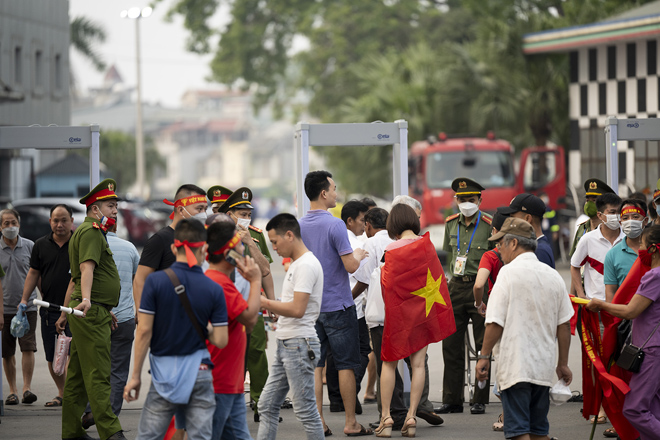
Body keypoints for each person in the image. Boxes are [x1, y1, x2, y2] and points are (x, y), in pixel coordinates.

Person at [123, 219, 229, 440]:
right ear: (204, 249)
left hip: (165, 376)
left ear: (174, 247)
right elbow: (220, 340)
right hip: (200, 372)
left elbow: (144, 331)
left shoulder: (156, 282)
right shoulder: (213, 288)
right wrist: (205, 328)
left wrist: (135, 376)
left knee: (149, 437)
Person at [476, 217, 574, 440]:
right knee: (538, 432)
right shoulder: (553, 276)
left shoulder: (507, 274)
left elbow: (494, 322)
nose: (498, 249)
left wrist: (483, 356)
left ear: (513, 244)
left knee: (519, 432)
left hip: (515, 368)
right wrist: (563, 363)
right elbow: (564, 324)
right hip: (543, 369)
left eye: (501, 243)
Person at [298, 170, 370, 436]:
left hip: (310, 308)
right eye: (334, 188)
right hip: (338, 306)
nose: (337, 193)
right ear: (324, 193)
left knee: (316, 366)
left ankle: (319, 422)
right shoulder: (335, 225)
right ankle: (351, 422)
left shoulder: (299, 225)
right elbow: (350, 265)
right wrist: (360, 254)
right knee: (346, 365)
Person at [376, 204, 455, 438]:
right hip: (424, 314)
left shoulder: (390, 250)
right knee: (419, 364)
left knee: (389, 363)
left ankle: (386, 417)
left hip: (399, 316)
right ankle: (411, 416)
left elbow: (387, 285)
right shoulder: (427, 245)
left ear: (393, 225)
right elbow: (438, 280)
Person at [62, 179, 125, 440]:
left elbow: (90, 274)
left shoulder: (94, 231)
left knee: (77, 377)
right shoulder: (90, 232)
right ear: (94, 208)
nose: (115, 210)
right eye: (110, 205)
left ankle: (72, 432)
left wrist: (100, 304)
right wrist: (89, 300)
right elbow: (86, 269)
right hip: (89, 312)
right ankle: (111, 433)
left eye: (116, 205)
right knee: (99, 374)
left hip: (93, 310)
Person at [586, 225, 660, 440]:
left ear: (653, 249)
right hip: (652, 347)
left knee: (634, 409)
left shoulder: (654, 276)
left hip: (651, 350)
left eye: (643, 245)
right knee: (652, 407)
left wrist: (602, 305)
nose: (640, 250)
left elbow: (630, 310)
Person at [257, 213, 325, 440]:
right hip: (289, 343)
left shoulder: (305, 265)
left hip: (298, 345)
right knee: (266, 406)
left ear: (289, 235)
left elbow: (297, 309)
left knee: (306, 411)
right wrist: (275, 310)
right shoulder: (298, 264)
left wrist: (265, 302)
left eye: (275, 242)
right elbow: (293, 308)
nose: (274, 247)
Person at [217, 185, 277, 422]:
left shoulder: (255, 234)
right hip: (225, 305)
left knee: (257, 354)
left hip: (253, 304)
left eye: (247, 213)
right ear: (229, 214)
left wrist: (250, 243)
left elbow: (265, 270)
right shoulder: (216, 236)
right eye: (241, 213)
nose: (245, 217)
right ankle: (231, 404)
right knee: (230, 356)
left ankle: (260, 404)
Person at [205, 216, 262, 439]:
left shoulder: (217, 279)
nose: (243, 250)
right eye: (239, 245)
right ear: (229, 253)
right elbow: (250, 319)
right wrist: (255, 281)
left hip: (231, 379)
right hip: (221, 380)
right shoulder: (220, 283)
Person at [439, 177, 493, 415]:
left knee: (484, 345)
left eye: (470, 199)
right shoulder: (450, 223)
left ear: (479, 200)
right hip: (456, 287)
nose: (466, 203)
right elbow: (449, 256)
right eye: (462, 199)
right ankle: (452, 399)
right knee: (451, 345)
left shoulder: (489, 224)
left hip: (480, 287)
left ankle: (479, 398)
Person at [80, 221, 140, 429]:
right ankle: (110, 416)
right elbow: (135, 281)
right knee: (118, 370)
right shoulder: (130, 248)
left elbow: (76, 281)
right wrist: (138, 311)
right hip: (124, 319)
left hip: (96, 316)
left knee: (94, 367)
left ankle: (90, 410)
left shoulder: (89, 247)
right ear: (116, 229)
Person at [18, 204, 74, 408]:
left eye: (64, 220)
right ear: (50, 221)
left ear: (71, 221)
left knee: (71, 355)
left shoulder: (78, 243)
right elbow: (34, 273)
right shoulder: (40, 245)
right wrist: (24, 300)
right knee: (52, 356)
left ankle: (71, 395)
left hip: (75, 310)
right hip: (49, 310)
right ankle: (62, 393)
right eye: (55, 220)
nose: (59, 224)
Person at [133, 184, 208, 321]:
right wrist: (142, 314)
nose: (204, 214)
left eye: (205, 209)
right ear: (181, 209)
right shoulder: (159, 240)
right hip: (167, 317)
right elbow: (140, 279)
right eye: (199, 209)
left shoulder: (204, 238)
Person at [326, 200, 370, 414]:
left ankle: (337, 398)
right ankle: (348, 393)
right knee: (359, 352)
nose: (365, 224)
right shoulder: (352, 243)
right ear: (350, 221)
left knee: (335, 354)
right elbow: (358, 275)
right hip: (349, 303)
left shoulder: (341, 236)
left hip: (334, 302)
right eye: (362, 220)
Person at [1, 208, 38, 406]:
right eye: (6, 223)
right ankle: (12, 391)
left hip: (28, 307)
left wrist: (44, 297)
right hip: (4, 309)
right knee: (7, 352)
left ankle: (26, 389)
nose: (10, 226)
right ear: (0, 227)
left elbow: (36, 274)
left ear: (19, 224)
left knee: (28, 348)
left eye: (13, 222)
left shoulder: (30, 246)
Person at [571, 192, 624, 302]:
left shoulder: (627, 238)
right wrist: (581, 294)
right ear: (600, 215)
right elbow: (574, 266)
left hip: (623, 305)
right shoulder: (588, 239)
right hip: (596, 306)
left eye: (619, 212)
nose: (617, 216)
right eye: (612, 212)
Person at [500, 193, 555, 268]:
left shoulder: (540, 251)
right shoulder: (534, 247)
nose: (511, 222)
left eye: (513, 218)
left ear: (527, 219)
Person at [570, 178, 616, 257]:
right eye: (587, 200)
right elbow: (574, 258)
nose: (589, 204)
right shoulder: (582, 228)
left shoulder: (611, 229)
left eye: (594, 200)